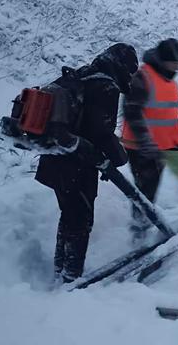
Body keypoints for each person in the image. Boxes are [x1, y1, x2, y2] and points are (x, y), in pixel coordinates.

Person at [35, 43, 139, 283]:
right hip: (76, 164)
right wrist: (119, 158)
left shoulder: (82, 75)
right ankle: (71, 279)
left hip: (56, 155)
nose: (129, 77)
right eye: (130, 71)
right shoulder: (105, 86)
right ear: (121, 66)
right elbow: (100, 132)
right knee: (81, 221)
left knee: (69, 215)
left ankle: (60, 271)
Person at [122, 38, 178, 241]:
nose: (177, 66)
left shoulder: (168, 78)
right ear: (163, 60)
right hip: (142, 146)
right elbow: (131, 111)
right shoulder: (143, 77)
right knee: (146, 189)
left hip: (169, 140)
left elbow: (164, 114)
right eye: (174, 61)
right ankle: (139, 230)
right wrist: (145, 141)